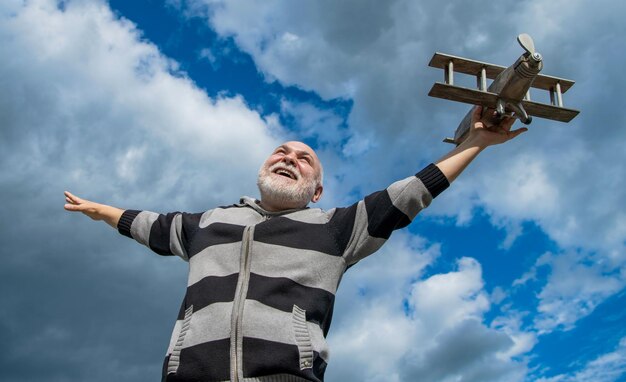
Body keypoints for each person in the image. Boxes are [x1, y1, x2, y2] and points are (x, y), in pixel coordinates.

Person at [64, 106, 526, 382]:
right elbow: (145, 223)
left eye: (305, 159)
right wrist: (98, 210)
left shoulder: (335, 229)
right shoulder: (206, 223)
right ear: (264, 169)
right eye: (281, 153)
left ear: (317, 190)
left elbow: (409, 193)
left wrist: (477, 142)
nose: (290, 158)